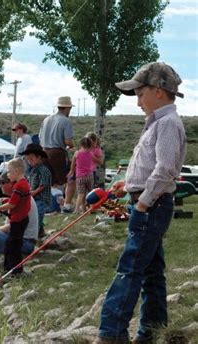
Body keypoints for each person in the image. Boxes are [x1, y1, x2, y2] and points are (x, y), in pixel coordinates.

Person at [94, 62, 186, 344]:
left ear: (158, 91)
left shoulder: (168, 123)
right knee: (151, 271)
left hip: (152, 207)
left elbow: (165, 169)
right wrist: (130, 186)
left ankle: (112, 334)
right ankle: (152, 330)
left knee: (130, 267)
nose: (137, 102)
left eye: (140, 94)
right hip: (151, 203)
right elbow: (152, 168)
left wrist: (143, 202)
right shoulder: (158, 123)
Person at [0, 158, 31, 276]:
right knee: (10, 244)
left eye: (9, 171)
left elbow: (12, 204)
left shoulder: (19, 186)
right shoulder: (23, 183)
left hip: (18, 220)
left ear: (16, 171)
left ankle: (15, 271)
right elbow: (18, 201)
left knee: (13, 246)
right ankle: (9, 269)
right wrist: (5, 200)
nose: (8, 174)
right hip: (21, 219)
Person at [39, 96, 75, 186]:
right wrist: (73, 146)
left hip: (43, 152)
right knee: (65, 179)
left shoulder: (46, 119)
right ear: (68, 108)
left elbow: (40, 137)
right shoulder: (66, 121)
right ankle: (64, 199)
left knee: (48, 182)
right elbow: (68, 141)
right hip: (57, 154)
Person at [20, 143, 51, 238]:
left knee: (37, 215)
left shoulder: (43, 170)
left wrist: (33, 192)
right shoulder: (33, 170)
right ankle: (41, 232)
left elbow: (43, 185)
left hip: (41, 198)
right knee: (34, 214)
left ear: (39, 157)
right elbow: (31, 183)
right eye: (28, 159)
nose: (29, 161)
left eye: (32, 158)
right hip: (34, 197)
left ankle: (35, 234)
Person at [68, 137, 95, 213]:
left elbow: (73, 164)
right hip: (89, 175)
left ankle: (77, 209)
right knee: (90, 193)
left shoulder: (77, 153)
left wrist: (71, 171)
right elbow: (94, 161)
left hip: (80, 176)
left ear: (81, 144)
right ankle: (89, 208)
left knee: (81, 193)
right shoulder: (90, 153)